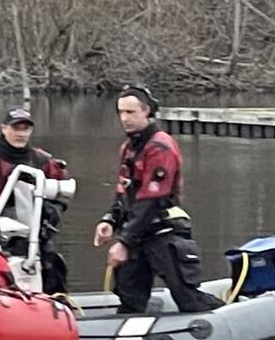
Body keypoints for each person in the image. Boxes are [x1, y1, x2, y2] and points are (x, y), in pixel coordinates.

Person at [93, 85, 223, 315]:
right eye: (121, 113)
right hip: (137, 235)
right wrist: (110, 220)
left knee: (187, 298)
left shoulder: (160, 147)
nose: (124, 118)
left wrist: (124, 242)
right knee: (129, 297)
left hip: (162, 232)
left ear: (146, 111)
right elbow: (124, 190)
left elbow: (152, 199)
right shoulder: (128, 148)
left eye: (130, 113)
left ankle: (226, 316)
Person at [0, 105, 72, 293]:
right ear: (4, 128)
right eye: (15, 128)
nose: (21, 134)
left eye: (25, 129)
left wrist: (54, 212)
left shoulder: (42, 160)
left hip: (33, 231)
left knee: (53, 266)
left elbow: (64, 189)